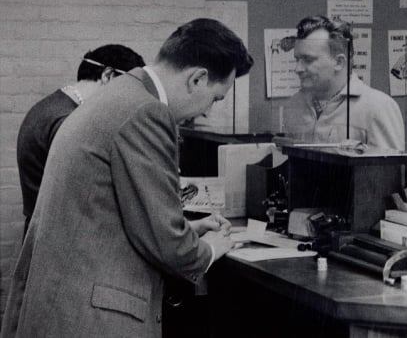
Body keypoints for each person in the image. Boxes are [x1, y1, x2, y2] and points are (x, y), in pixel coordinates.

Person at [2, 18, 253, 338]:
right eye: (216, 98)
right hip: (93, 320)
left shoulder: (120, 92)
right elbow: (169, 246)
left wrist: (187, 229)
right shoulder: (146, 112)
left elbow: (106, 214)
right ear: (197, 79)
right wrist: (210, 249)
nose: (207, 112)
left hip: (65, 307)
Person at [16, 44, 146, 238]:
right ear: (108, 75)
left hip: (47, 228)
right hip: (56, 236)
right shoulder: (69, 120)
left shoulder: (56, 104)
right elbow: (89, 195)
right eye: (129, 88)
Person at [283, 15, 405, 150]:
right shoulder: (294, 104)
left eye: (308, 60)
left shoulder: (378, 107)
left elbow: (389, 170)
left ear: (339, 62)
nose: (297, 69)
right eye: (297, 59)